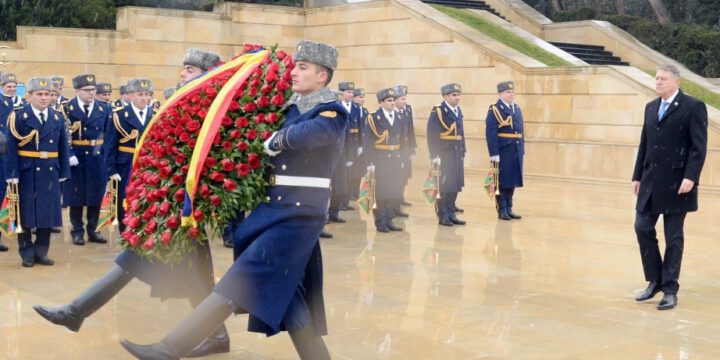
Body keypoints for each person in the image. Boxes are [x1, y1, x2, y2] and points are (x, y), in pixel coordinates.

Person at [119, 39, 345, 360]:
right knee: (292, 299)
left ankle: (169, 349)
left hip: (298, 215)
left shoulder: (331, 109)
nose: (294, 72)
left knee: (241, 280)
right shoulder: (291, 107)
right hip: (274, 210)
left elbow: (313, 134)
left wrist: (278, 139)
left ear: (322, 76)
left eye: (303, 68)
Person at [34, 49, 233, 358]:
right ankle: (216, 335)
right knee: (188, 271)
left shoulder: (211, 109)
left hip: (180, 203)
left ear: (209, 75)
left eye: (190, 69)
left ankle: (76, 311)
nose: (182, 75)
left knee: (141, 258)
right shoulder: (188, 104)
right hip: (168, 199)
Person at [632, 64, 707, 311]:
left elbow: (698, 147)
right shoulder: (651, 107)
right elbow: (645, 144)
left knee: (673, 238)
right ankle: (655, 280)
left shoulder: (693, 107)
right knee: (642, 227)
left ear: (676, 82)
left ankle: (670, 289)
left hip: (678, 184)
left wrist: (691, 177)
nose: (658, 82)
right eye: (656, 78)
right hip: (651, 182)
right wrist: (637, 176)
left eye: (663, 79)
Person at [5, 77, 71, 267]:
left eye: (47, 94)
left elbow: (62, 147)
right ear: (30, 96)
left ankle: (42, 251)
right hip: (27, 170)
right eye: (39, 94)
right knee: (25, 213)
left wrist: (64, 171)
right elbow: (11, 148)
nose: (44, 98)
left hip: (50, 171)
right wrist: (12, 174)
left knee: (47, 214)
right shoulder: (18, 116)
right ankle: (26, 252)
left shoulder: (57, 117)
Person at [62, 74, 111, 246]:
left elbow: (107, 133)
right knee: (75, 197)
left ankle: (93, 230)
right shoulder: (67, 108)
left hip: (96, 157)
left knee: (96, 196)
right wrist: (69, 153)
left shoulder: (103, 108)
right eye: (87, 90)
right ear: (77, 91)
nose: (91, 93)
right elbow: (62, 135)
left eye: (93, 90)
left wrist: (104, 153)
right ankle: (77, 231)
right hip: (76, 156)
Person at [365, 87, 404, 233]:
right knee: (381, 192)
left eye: (394, 100)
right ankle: (380, 221)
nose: (393, 103)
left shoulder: (399, 117)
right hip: (380, 160)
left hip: (395, 159)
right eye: (389, 100)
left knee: (392, 191)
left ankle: (389, 219)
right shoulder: (374, 118)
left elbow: (402, 141)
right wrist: (369, 164)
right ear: (381, 102)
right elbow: (368, 142)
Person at [427, 83, 466, 226]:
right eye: (454, 95)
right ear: (445, 96)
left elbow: (461, 132)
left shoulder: (458, 110)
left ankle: (451, 213)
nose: (457, 98)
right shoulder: (437, 111)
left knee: (454, 185)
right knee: (443, 186)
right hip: (443, 154)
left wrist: (463, 149)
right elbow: (432, 135)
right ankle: (442, 215)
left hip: (456, 153)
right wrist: (434, 155)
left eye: (458, 95)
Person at [485, 81, 524, 221]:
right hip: (503, 150)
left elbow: (521, 130)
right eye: (508, 92)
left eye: (512, 92)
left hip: (516, 150)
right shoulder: (495, 109)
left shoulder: (517, 108)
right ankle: (501, 209)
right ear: (500, 93)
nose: (511, 94)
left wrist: (522, 149)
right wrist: (494, 153)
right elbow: (491, 133)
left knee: (512, 181)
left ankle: (509, 207)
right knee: (501, 181)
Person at [328, 81, 356, 223]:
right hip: (328, 156)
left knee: (340, 187)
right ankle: (325, 214)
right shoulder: (326, 116)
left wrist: (350, 156)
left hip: (342, 155)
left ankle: (334, 212)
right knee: (327, 187)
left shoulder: (344, 116)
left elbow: (349, 138)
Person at [394, 85, 415, 214]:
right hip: (396, 149)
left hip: (406, 147)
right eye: (402, 98)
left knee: (404, 175)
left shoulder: (407, 110)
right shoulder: (392, 112)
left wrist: (412, 148)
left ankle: (400, 197)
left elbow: (410, 129)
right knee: (396, 176)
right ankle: (395, 203)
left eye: (405, 98)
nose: (405, 101)